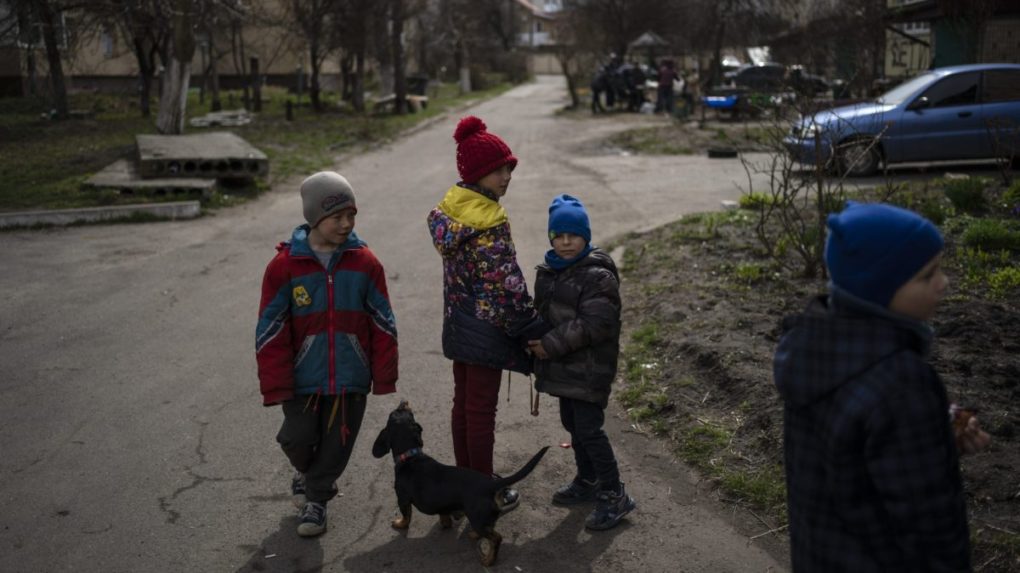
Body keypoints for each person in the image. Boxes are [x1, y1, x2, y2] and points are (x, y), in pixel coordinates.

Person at [773, 202, 991, 571]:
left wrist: (939, 424)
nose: (944, 282)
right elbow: (930, 526)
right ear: (878, 290)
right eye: (927, 275)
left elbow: (849, 426)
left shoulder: (809, 348)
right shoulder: (903, 385)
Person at [256, 171, 398, 537]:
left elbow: (383, 321)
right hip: (303, 378)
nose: (346, 224)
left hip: (350, 377)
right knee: (296, 438)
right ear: (314, 218)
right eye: (337, 217)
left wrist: (383, 375)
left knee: (337, 445)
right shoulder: (284, 268)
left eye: (351, 215)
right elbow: (270, 329)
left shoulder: (365, 263)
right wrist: (276, 384)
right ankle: (308, 474)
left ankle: (316, 500)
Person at [426, 116, 547, 512]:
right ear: (477, 175)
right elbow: (504, 282)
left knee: (464, 406)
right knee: (480, 411)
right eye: (497, 170)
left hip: (459, 324)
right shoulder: (487, 221)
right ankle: (482, 487)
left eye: (508, 167)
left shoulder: (455, 211)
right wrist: (530, 326)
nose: (506, 175)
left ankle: (465, 480)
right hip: (486, 327)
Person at [528, 194, 637, 531]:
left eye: (572, 235)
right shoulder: (550, 272)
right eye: (558, 235)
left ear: (585, 236)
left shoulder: (597, 276)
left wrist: (549, 344)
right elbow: (545, 315)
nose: (565, 242)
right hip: (564, 369)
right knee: (573, 425)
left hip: (589, 369)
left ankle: (614, 493)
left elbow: (596, 323)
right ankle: (588, 480)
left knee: (589, 430)